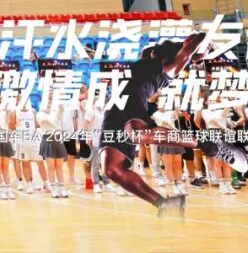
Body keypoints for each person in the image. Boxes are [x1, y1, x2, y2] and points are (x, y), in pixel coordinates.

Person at [100, 33, 247, 217]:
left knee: (139, 133)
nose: (153, 50)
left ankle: (209, 145)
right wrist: (196, 49)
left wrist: (204, 44)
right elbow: (153, 49)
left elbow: (197, 39)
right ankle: (164, 204)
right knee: (112, 170)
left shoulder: (168, 69)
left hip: (131, 101)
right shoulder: (146, 59)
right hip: (113, 109)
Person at [37, 101, 69, 198]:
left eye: (49, 104)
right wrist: (57, 122)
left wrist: (60, 108)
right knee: (51, 166)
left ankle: (61, 188)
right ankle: (54, 189)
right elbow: (49, 121)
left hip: (58, 139)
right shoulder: (40, 114)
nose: (48, 106)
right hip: (48, 139)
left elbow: (62, 111)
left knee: (59, 166)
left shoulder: (55, 112)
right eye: (46, 104)